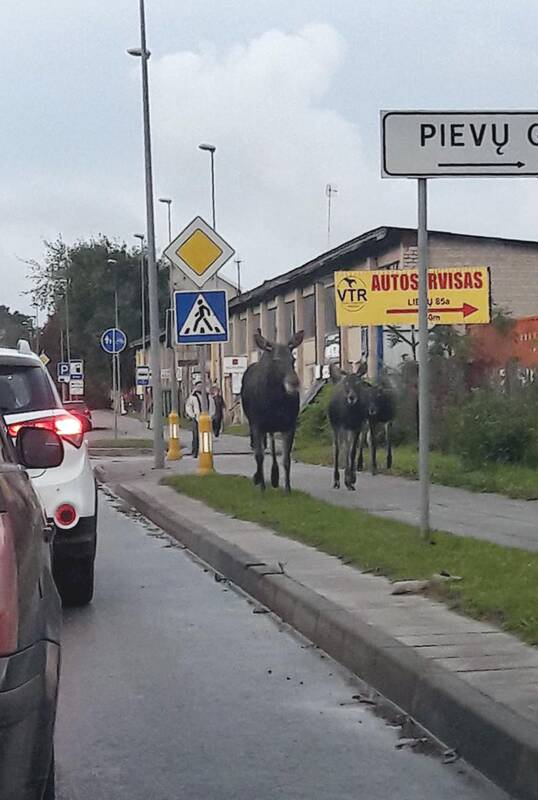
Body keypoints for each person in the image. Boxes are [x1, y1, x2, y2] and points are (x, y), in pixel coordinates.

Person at [185, 381, 215, 457]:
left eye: (201, 386)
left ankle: (206, 450)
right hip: (197, 418)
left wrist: (211, 415)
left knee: (206, 435)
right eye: (198, 386)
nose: (200, 388)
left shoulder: (208, 396)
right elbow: (188, 406)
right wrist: (192, 415)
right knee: (196, 436)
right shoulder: (193, 397)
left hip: (206, 419)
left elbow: (212, 406)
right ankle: (195, 451)